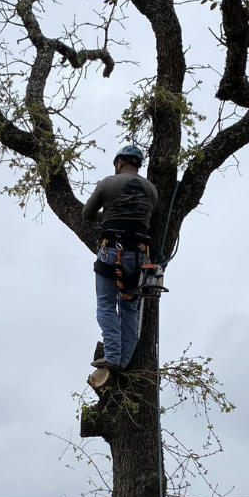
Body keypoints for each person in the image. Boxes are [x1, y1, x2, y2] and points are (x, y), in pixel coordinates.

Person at [82, 145, 158, 371]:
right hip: (139, 256)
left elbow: (87, 215)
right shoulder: (151, 189)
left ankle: (113, 356)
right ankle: (124, 361)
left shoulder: (108, 183)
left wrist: (109, 214)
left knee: (106, 305)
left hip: (111, 250)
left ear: (119, 162)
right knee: (130, 309)